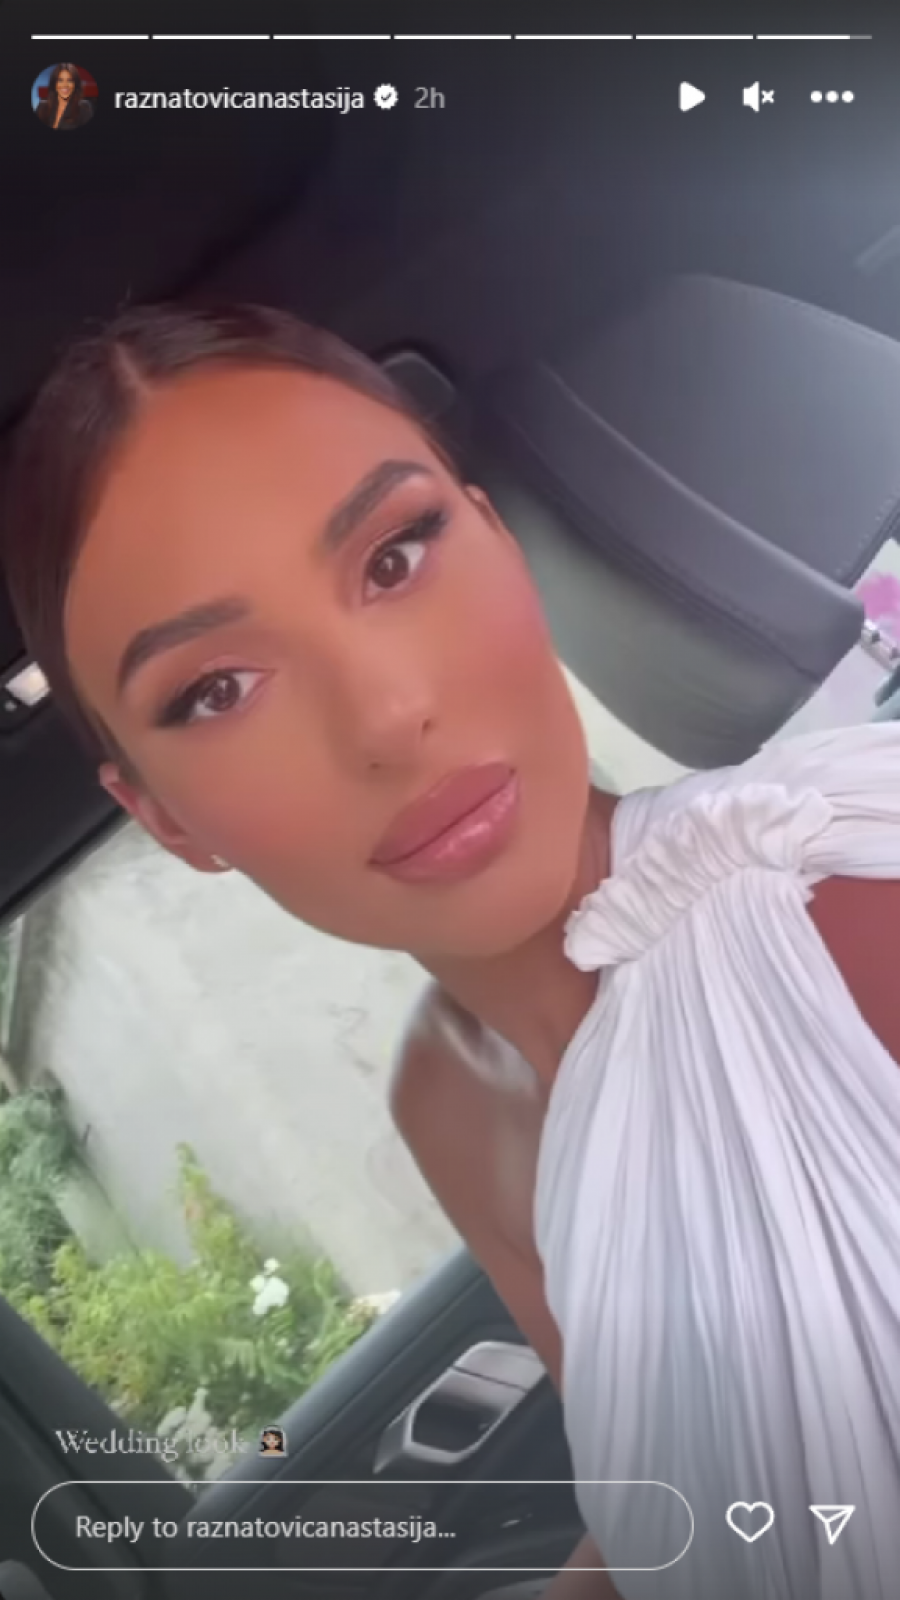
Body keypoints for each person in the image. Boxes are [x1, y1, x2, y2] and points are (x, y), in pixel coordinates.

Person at [2, 302, 899, 1600]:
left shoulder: (856, 887)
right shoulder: (447, 1100)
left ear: (499, 542)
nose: (387, 716)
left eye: (395, 555)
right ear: (166, 819)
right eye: (216, 690)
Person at [35, 63, 93, 131]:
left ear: (75, 84)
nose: (65, 85)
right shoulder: (42, 107)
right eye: (60, 80)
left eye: (70, 80)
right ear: (54, 84)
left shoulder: (84, 108)